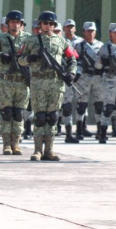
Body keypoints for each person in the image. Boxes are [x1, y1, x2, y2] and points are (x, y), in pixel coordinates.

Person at [19, 11, 77, 161]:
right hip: (38, 82)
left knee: (52, 117)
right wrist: (30, 58)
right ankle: (37, 150)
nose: (48, 26)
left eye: (51, 24)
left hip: (56, 83)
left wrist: (71, 73)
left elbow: (72, 59)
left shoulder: (62, 41)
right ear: (40, 24)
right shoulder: (31, 41)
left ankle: (49, 150)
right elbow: (19, 59)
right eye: (45, 23)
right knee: (40, 117)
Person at [0, 10, 31, 154]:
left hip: (22, 81)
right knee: (6, 113)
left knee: (19, 114)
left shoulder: (28, 39)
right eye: (12, 22)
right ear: (8, 24)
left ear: (21, 24)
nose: (15, 24)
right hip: (6, 82)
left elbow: (34, 57)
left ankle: (16, 143)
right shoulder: (0, 38)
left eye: (17, 22)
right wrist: (1, 56)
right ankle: (6, 144)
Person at [73, 22, 104, 140]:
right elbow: (76, 61)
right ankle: (79, 129)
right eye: (88, 31)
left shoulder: (101, 45)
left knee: (99, 105)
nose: (91, 33)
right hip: (84, 77)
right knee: (82, 105)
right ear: (83, 32)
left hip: (98, 78)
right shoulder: (79, 45)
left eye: (93, 31)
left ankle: (100, 130)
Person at [60, 19, 84, 142]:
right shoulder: (43, 43)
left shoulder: (68, 45)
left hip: (68, 78)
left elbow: (76, 60)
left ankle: (70, 133)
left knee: (68, 106)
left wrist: (74, 73)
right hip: (52, 80)